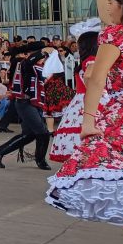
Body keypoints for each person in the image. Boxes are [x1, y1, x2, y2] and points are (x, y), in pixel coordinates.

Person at [46, 0, 123, 226]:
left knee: (113, 179)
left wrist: (88, 121)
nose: (107, 6)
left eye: (111, 2)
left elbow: (96, 80)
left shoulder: (117, 37)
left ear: (122, 5)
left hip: (120, 116)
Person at [0, 41, 52, 170]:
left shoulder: (37, 66)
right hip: (25, 102)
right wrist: (43, 52)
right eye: (42, 54)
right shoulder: (25, 63)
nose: (44, 57)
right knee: (43, 133)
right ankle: (40, 160)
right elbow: (31, 61)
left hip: (32, 102)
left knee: (29, 134)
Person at [49, 30, 99, 162]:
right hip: (89, 99)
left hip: (79, 100)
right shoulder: (92, 60)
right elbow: (89, 77)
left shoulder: (84, 60)